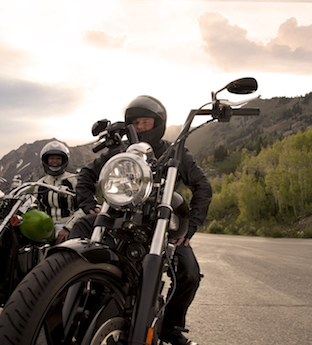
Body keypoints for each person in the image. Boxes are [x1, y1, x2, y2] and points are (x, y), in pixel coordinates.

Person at [71, 95, 212, 345]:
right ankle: (64, 302)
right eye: (135, 123)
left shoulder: (176, 151)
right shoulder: (120, 152)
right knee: (80, 231)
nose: (140, 128)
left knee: (189, 273)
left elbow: (202, 187)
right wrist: (88, 205)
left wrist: (190, 229)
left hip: (158, 226)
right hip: (118, 221)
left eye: (145, 122)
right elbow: (87, 175)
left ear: (158, 123)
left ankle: (170, 327)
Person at [35, 141, 80, 244]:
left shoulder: (73, 181)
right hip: (46, 227)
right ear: (46, 160)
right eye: (51, 158)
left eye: (58, 158)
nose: (55, 161)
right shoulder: (40, 184)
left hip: (68, 226)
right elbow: (36, 207)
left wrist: (68, 228)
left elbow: (84, 207)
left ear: (64, 160)